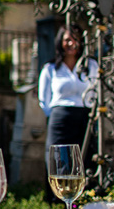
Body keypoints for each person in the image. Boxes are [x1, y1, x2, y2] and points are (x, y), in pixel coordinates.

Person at [38, 24, 99, 165]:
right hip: (61, 119)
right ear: (60, 42)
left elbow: (95, 92)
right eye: (67, 40)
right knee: (59, 160)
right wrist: (55, 114)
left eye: (75, 39)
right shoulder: (51, 69)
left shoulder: (90, 66)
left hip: (84, 117)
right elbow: (44, 98)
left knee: (85, 159)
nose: (71, 44)